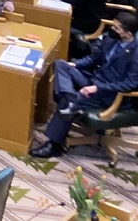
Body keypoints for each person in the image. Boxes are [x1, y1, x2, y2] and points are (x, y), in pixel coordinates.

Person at [29, 12, 138, 158]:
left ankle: (54, 145)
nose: (113, 29)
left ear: (128, 33)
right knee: (61, 65)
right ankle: (69, 101)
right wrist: (75, 64)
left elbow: (128, 84)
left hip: (109, 93)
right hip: (94, 78)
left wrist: (97, 88)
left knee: (75, 98)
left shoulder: (135, 54)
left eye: (117, 28)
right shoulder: (112, 39)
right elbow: (94, 59)